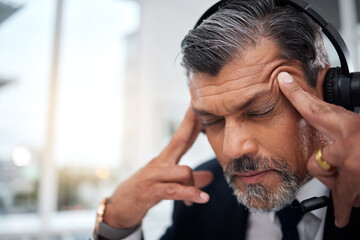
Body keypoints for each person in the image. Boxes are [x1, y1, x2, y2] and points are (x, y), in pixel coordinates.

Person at [92, 0, 360, 239]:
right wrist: (116, 224)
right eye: (213, 121)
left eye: (260, 111)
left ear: (330, 95)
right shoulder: (199, 202)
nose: (232, 149)